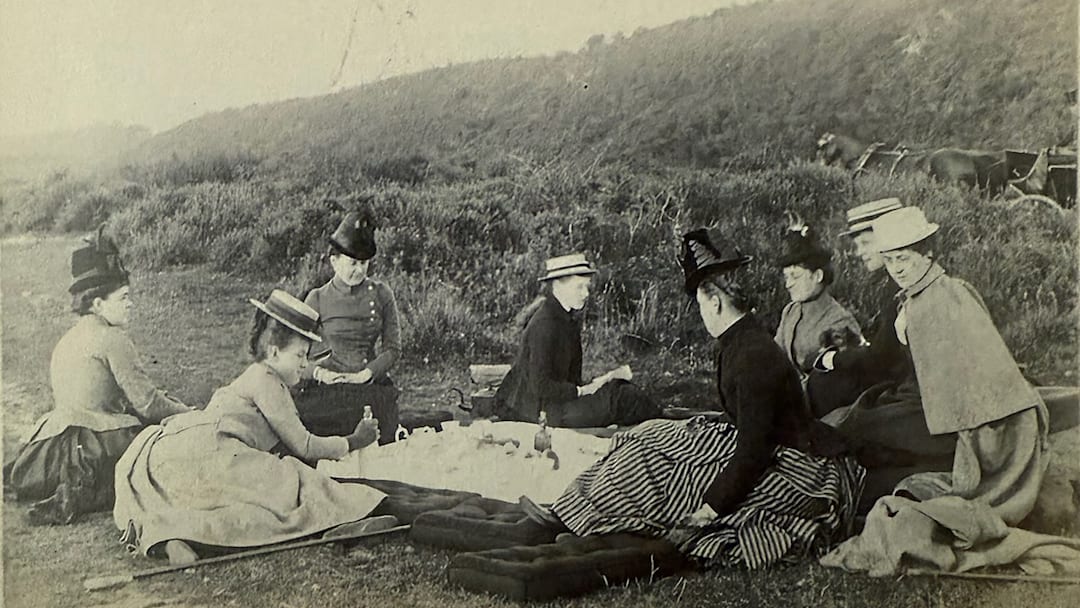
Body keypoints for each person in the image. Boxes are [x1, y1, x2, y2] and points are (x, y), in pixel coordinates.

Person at [520, 230, 864, 569]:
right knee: (647, 435)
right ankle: (574, 509)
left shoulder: (752, 355)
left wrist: (712, 508)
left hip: (796, 465)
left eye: (701, 305)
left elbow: (754, 448)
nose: (701, 314)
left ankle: (584, 515)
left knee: (656, 461)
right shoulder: (740, 341)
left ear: (714, 302)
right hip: (767, 445)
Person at [113, 290, 387, 565]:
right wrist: (353, 440)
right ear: (274, 351)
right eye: (300, 355)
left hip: (175, 446)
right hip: (214, 449)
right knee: (290, 487)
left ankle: (173, 532)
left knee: (226, 498)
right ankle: (346, 515)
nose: (305, 364)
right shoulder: (267, 381)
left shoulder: (255, 374)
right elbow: (304, 445)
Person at [856, 207, 1049, 524]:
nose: (896, 269)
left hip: (959, 412)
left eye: (903, 258)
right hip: (925, 399)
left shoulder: (950, 295)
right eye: (889, 260)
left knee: (864, 428)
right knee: (862, 417)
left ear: (927, 252)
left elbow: (985, 364)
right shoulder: (911, 297)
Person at [3, 229, 193, 525]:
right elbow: (147, 404)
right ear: (98, 304)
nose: (130, 304)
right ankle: (85, 495)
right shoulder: (112, 339)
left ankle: (73, 490)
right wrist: (189, 414)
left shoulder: (67, 339)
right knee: (161, 457)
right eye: (124, 297)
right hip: (101, 444)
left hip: (52, 450)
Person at [493, 253, 661, 428]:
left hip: (558, 403)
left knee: (620, 389)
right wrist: (580, 391)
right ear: (557, 286)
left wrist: (593, 385)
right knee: (620, 399)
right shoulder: (545, 324)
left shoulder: (565, 318)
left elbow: (569, 375)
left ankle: (662, 420)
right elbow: (539, 385)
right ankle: (665, 424)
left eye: (586, 287)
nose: (586, 293)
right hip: (539, 411)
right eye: (579, 287)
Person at [293, 209, 402, 443]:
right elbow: (293, 355)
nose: (359, 270)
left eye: (364, 263)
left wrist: (366, 374)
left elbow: (393, 349)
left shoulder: (382, 294)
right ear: (334, 261)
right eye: (352, 263)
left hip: (369, 384)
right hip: (330, 386)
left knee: (379, 425)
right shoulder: (317, 297)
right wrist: (320, 373)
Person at [805, 198, 915, 416]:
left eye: (865, 243)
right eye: (857, 246)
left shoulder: (902, 286)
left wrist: (832, 359)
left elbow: (883, 356)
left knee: (827, 385)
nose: (858, 252)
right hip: (901, 379)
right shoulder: (888, 284)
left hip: (909, 387)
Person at [773, 214, 864, 386]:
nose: (788, 284)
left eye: (795, 276)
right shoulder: (790, 312)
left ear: (818, 276)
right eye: (786, 278)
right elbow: (776, 360)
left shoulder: (840, 321)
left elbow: (838, 383)